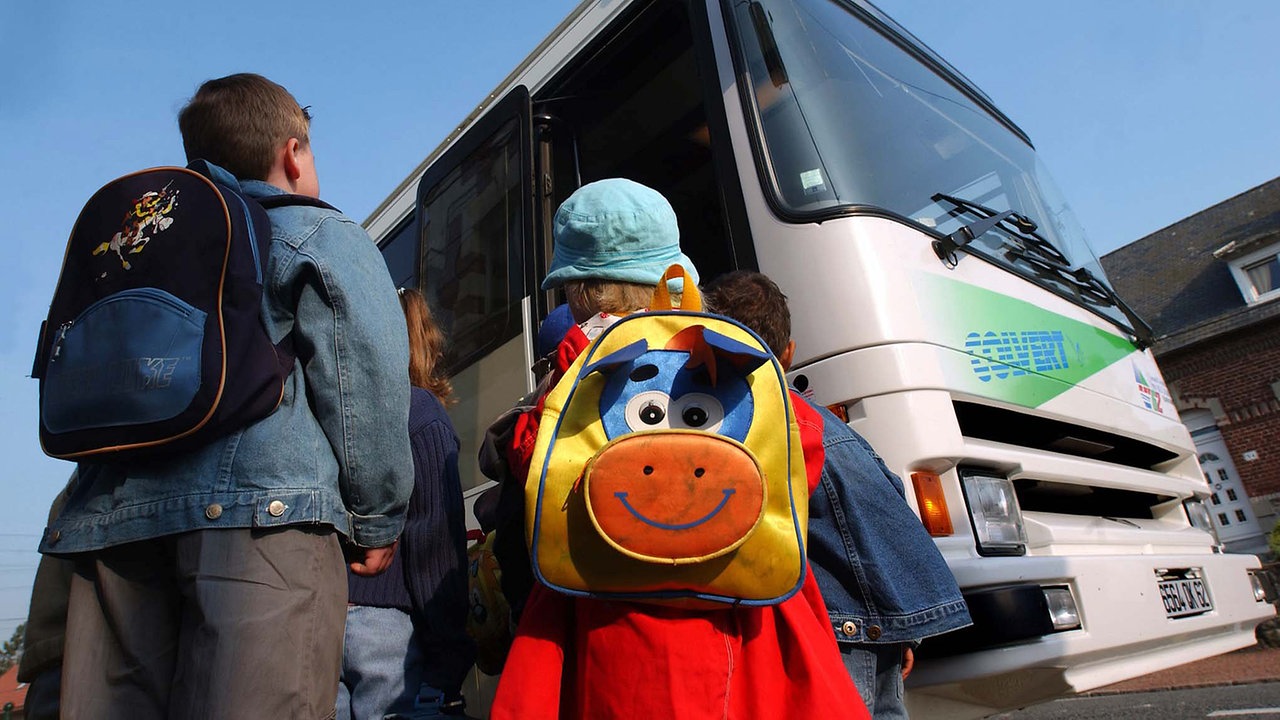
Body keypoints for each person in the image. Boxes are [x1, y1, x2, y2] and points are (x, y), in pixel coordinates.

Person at [40, 73, 413, 719]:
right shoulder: (314, 233)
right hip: (260, 519)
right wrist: (378, 514)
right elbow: (364, 378)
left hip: (101, 525)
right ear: (294, 152)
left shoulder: (138, 245)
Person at [488, 178, 869, 720]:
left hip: (607, 626)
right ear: (675, 271)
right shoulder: (727, 351)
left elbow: (537, 477)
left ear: (577, 290)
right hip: (739, 611)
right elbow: (801, 455)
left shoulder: (575, 368)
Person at [703, 270, 972, 719]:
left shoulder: (741, 425)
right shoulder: (828, 426)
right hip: (869, 620)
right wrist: (898, 623)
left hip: (833, 626)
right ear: (789, 354)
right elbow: (887, 509)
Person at [337, 288, 476, 719]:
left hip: (319, 615)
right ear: (422, 341)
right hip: (384, 632)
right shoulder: (421, 415)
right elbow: (435, 554)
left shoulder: (333, 411)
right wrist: (450, 661)